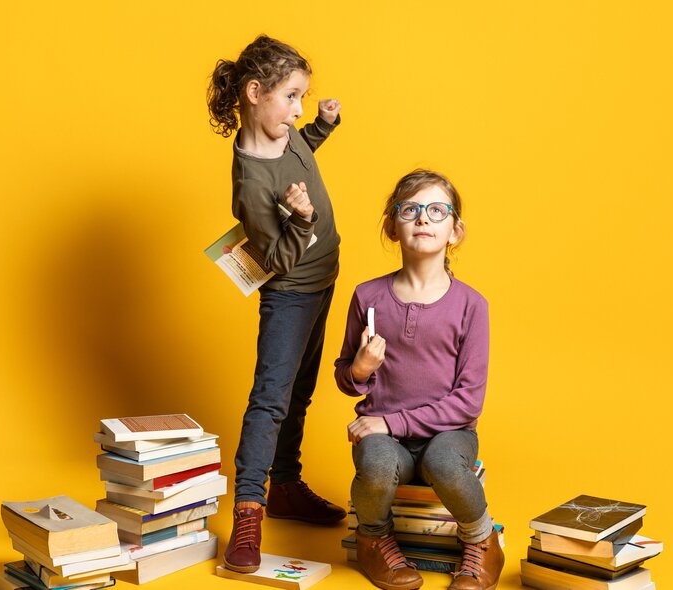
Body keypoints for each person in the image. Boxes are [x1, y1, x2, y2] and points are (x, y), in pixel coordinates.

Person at [207, 35, 346, 573]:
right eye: (291, 97)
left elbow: (301, 148)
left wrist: (323, 127)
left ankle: (285, 484)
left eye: (302, 97)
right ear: (254, 92)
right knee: (271, 400)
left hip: (324, 280)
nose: (298, 110)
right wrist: (304, 219)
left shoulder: (284, 134)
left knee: (301, 390)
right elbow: (279, 261)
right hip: (292, 294)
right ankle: (248, 513)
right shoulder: (250, 181)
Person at [334, 170, 504, 590]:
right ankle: (374, 539)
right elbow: (345, 376)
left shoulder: (472, 305)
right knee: (375, 462)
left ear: (455, 231)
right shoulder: (368, 297)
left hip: (449, 434)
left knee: (444, 463)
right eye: (409, 210)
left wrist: (389, 422)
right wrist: (361, 369)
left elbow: (468, 402)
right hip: (385, 439)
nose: (423, 218)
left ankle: (482, 539)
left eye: (436, 210)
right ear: (392, 227)